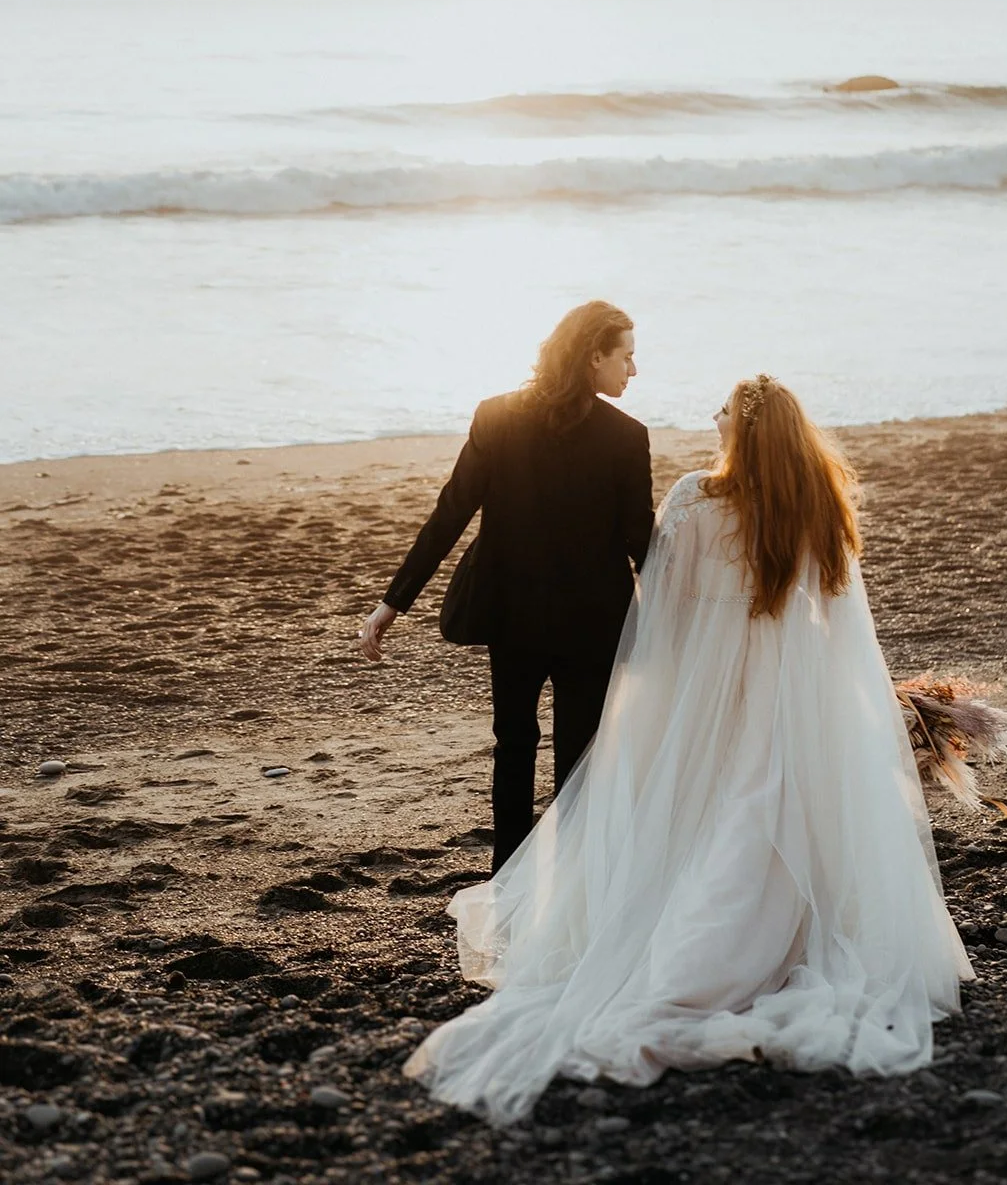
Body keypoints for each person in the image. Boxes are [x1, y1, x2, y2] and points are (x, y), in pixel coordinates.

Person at [403, 375, 974, 1125]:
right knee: (767, 803)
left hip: (706, 685)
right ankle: (782, 934)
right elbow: (833, 616)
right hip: (783, 686)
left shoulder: (696, 497)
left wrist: (655, 693)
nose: (709, 416)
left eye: (720, 410)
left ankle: (688, 963)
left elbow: (660, 608)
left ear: (737, 429)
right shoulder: (817, 500)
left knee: (696, 806)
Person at [359, 300, 655, 872]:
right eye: (627, 356)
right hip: (591, 623)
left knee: (513, 744)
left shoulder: (497, 415)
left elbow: (450, 514)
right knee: (579, 758)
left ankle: (507, 875)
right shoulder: (626, 437)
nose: (633, 371)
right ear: (594, 355)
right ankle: (574, 880)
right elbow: (639, 542)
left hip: (513, 616)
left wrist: (392, 603)